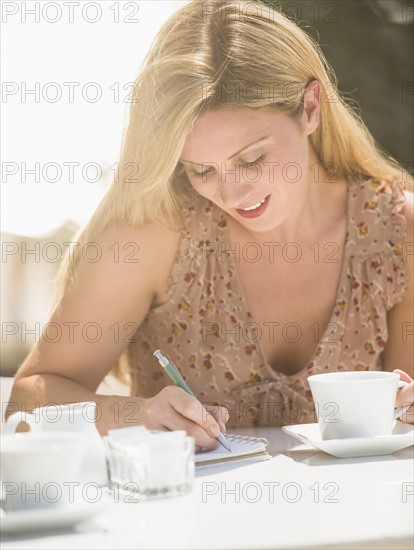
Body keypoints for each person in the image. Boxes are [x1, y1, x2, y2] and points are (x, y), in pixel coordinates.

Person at [7, 0, 413, 449]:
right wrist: (138, 414)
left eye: (253, 159)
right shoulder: (154, 231)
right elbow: (26, 404)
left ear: (311, 108)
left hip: (360, 515)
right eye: (202, 171)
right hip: (177, 515)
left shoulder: (395, 232)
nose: (234, 195)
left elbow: (404, 427)